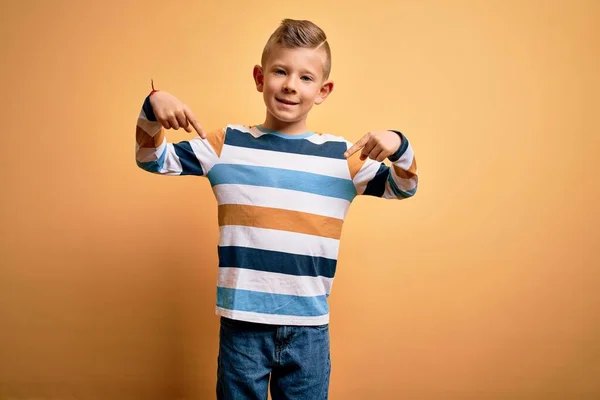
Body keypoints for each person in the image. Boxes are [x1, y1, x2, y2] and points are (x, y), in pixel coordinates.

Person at [134, 18, 418, 400]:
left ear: (323, 90)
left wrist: (399, 144)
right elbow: (151, 158)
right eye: (280, 71)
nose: (290, 85)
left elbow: (405, 187)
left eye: (305, 77)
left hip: (309, 329)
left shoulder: (343, 157)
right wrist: (153, 106)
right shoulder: (226, 145)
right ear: (259, 77)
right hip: (242, 325)